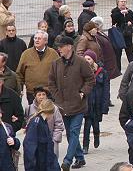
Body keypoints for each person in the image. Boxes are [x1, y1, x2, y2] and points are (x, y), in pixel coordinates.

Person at [48, 36, 95, 170]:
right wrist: (57, 97)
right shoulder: (56, 63)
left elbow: (90, 80)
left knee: (74, 133)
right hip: (62, 106)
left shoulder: (81, 62)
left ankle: (68, 160)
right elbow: (51, 82)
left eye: (61, 46)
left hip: (78, 105)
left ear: (69, 47)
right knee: (69, 134)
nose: (59, 49)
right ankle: (80, 158)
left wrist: (82, 93)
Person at [16, 30, 59, 104]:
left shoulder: (53, 53)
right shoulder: (26, 54)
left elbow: (59, 71)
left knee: (48, 113)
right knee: (34, 114)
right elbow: (19, 73)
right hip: (32, 92)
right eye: (35, 38)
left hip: (49, 92)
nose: (36, 40)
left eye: (39, 38)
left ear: (45, 41)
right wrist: (20, 89)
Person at [24, 86, 64, 158]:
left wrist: (55, 140)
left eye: (43, 94)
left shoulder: (54, 108)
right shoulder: (29, 108)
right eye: (39, 95)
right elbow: (27, 124)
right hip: (35, 142)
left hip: (51, 140)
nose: (41, 97)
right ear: (35, 96)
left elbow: (59, 125)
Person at [82, 50, 109, 154]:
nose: (87, 61)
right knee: (87, 125)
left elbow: (106, 90)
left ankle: (97, 135)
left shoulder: (102, 72)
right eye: (85, 59)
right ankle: (85, 145)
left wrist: (105, 105)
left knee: (96, 124)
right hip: (87, 102)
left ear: (93, 60)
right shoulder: (83, 71)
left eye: (89, 59)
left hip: (98, 102)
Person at [23, 99, 60, 171]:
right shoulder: (36, 123)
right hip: (39, 164)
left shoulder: (42, 122)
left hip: (44, 161)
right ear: (50, 112)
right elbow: (29, 146)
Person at [111, 0, 133, 70]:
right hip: (118, 35)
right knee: (117, 53)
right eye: (122, 1)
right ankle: (117, 69)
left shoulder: (129, 11)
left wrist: (131, 23)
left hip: (127, 35)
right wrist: (121, 13)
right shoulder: (115, 12)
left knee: (130, 52)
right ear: (118, 2)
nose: (123, 3)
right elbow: (114, 19)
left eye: (125, 1)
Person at [91, 16, 120, 81]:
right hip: (105, 65)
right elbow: (99, 52)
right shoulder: (96, 36)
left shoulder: (101, 33)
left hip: (109, 64)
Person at [0, 106, 20, 171]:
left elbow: (17, 145)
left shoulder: (7, 127)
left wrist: (14, 141)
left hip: (7, 166)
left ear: (1, 114)